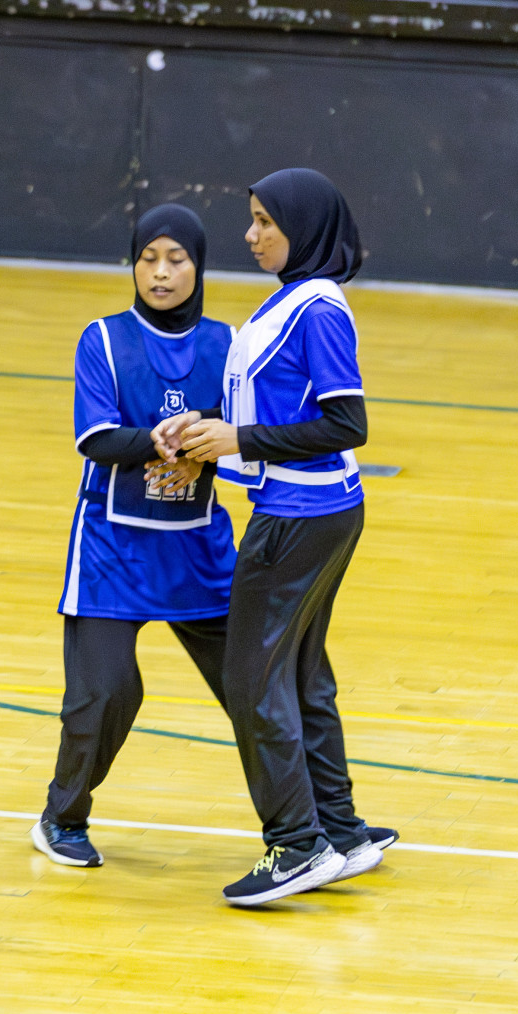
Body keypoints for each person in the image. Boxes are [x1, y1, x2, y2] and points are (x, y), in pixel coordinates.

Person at [152, 168, 397, 907]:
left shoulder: (318, 308)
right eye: (251, 219)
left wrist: (237, 439)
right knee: (298, 672)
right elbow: (269, 405)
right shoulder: (292, 298)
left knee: (251, 678)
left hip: (299, 518)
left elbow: (346, 425)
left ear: (306, 226)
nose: (251, 234)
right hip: (309, 511)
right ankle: (340, 829)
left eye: (265, 221)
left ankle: (295, 844)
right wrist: (206, 429)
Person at [32, 204, 237, 869]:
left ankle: (312, 822)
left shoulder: (228, 345)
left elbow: (251, 440)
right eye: (149, 258)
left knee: (258, 689)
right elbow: (92, 437)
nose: (161, 272)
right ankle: (63, 817)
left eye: (176, 259)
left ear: (199, 267)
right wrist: (152, 440)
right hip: (112, 553)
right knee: (107, 693)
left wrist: (218, 444)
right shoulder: (103, 338)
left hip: (198, 550)